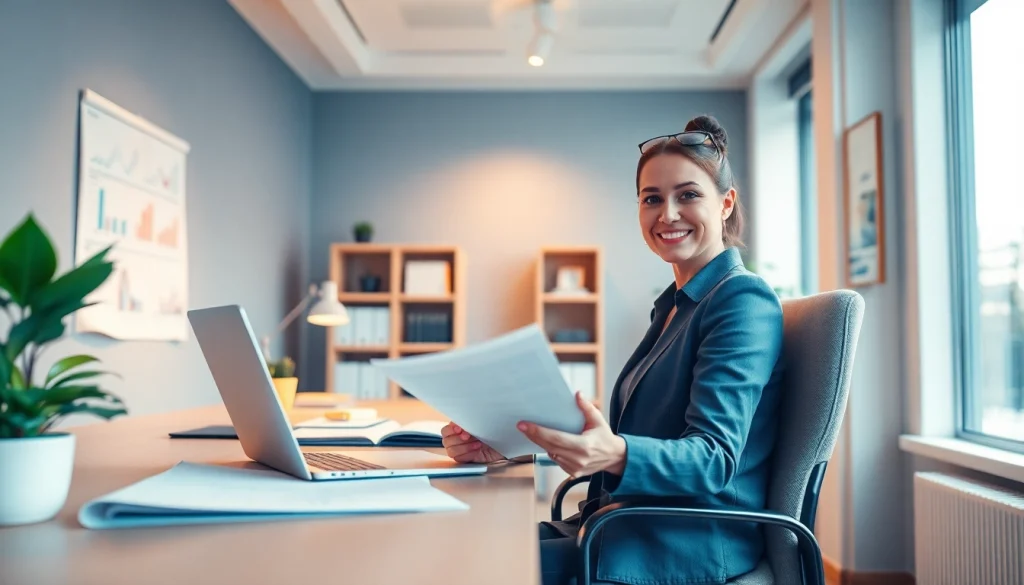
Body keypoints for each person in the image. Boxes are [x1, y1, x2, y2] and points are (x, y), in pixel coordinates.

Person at [441, 115, 785, 585]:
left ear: (725, 204)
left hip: (681, 544)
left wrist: (615, 454)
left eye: (688, 195)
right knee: (462, 542)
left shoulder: (740, 300)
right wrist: (503, 443)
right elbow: (645, 430)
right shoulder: (675, 307)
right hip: (623, 524)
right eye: (652, 199)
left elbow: (713, 457)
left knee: (469, 567)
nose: (667, 214)